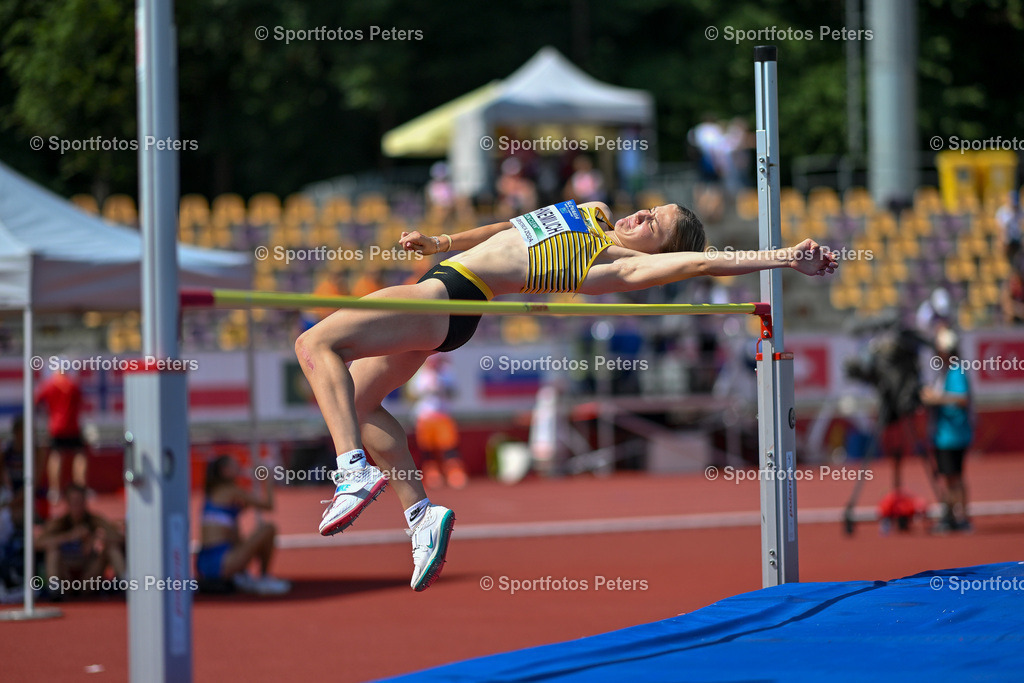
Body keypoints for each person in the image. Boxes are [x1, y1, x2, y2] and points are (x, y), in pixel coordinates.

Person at [294, 199, 838, 591]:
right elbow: (508, 229)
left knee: (315, 343)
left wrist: (785, 255)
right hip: (447, 284)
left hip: (446, 297)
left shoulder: (617, 266)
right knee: (357, 403)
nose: (642, 215)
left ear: (658, 251)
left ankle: (352, 471)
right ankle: (421, 515)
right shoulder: (593, 211)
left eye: (654, 225)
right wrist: (442, 243)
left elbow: (700, 263)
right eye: (651, 209)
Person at [195, 455, 290, 595]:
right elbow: (269, 505)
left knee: (236, 531)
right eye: (234, 465)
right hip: (222, 561)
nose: (239, 467)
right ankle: (264, 577)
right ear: (224, 470)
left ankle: (243, 575)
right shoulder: (232, 491)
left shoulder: (212, 493)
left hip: (204, 562)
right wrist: (267, 479)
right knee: (268, 529)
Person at [920, 328, 973, 533]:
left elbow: (962, 399)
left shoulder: (956, 371)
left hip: (953, 434)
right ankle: (952, 516)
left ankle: (959, 517)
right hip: (945, 433)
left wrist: (936, 399)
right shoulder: (945, 372)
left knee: (954, 477)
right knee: (950, 477)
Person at [37, 484, 125, 597]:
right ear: (67, 503)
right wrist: (69, 536)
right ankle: (54, 588)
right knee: (52, 551)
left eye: (80, 501)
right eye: (73, 502)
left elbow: (119, 538)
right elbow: (38, 543)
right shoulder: (59, 523)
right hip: (66, 575)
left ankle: (126, 583)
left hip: (88, 576)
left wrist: (98, 537)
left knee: (111, 548)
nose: (77, 506)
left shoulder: (94, 521)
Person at [408, 355, 467, 489]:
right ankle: (432, 474)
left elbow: (454, 392)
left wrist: (442, 387)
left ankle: (454, 473)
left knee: (449, 446)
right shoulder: (420, 373)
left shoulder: (447, 372)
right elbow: (412, 394)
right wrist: (427, 390)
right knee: (427, 449)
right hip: (425, 417)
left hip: (443, 415)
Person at [35, 370, 88, 501]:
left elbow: (36, 400)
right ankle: (80, 487)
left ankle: (55, 490)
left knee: (56, 455)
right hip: (72, 425)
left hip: (56, 426)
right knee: (79, 454)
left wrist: (47, 413)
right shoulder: (73, 384)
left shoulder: (49, 384)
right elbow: (80, 402)